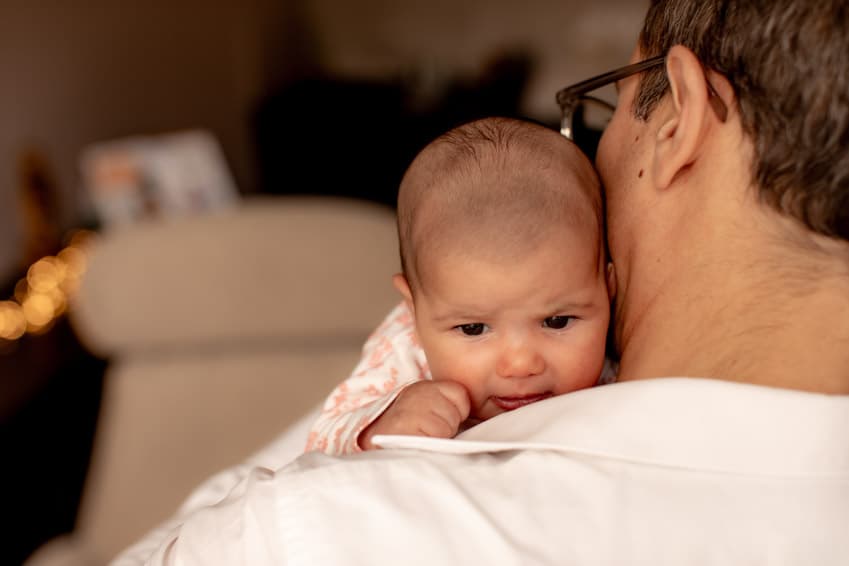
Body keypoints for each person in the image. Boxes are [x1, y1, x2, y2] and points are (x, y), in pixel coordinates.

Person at [117, 0, 849, 563]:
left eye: (609, 109)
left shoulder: (332, 531)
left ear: (676, 121)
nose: (520, 358)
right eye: (473, 327)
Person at [305, 117, 615, 455]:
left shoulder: (629, 351)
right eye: (473, 328)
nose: (520, 364)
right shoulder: (403, 350)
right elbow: (322, 440)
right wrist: (380, 426)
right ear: (414, 310)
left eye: (556, 321)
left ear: (608, 291)